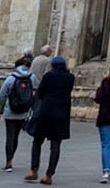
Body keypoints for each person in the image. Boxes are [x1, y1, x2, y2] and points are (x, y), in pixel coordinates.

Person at [23, 55, 74, 183]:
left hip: (46, 112)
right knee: (55, 145)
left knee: (37, 141)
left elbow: (40, 93)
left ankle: (34, 170)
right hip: (61, 114)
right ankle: (49, 174)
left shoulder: (48, 76)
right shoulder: (70, 77)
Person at [0, 54, 38, 172]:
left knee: (10, 136)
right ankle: (11, 157)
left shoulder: (11, 78)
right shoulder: (32, 78)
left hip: (10, 111)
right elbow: (35, 94)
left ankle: (8, 162)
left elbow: (1, 96)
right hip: (23, 111)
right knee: (16, 137)